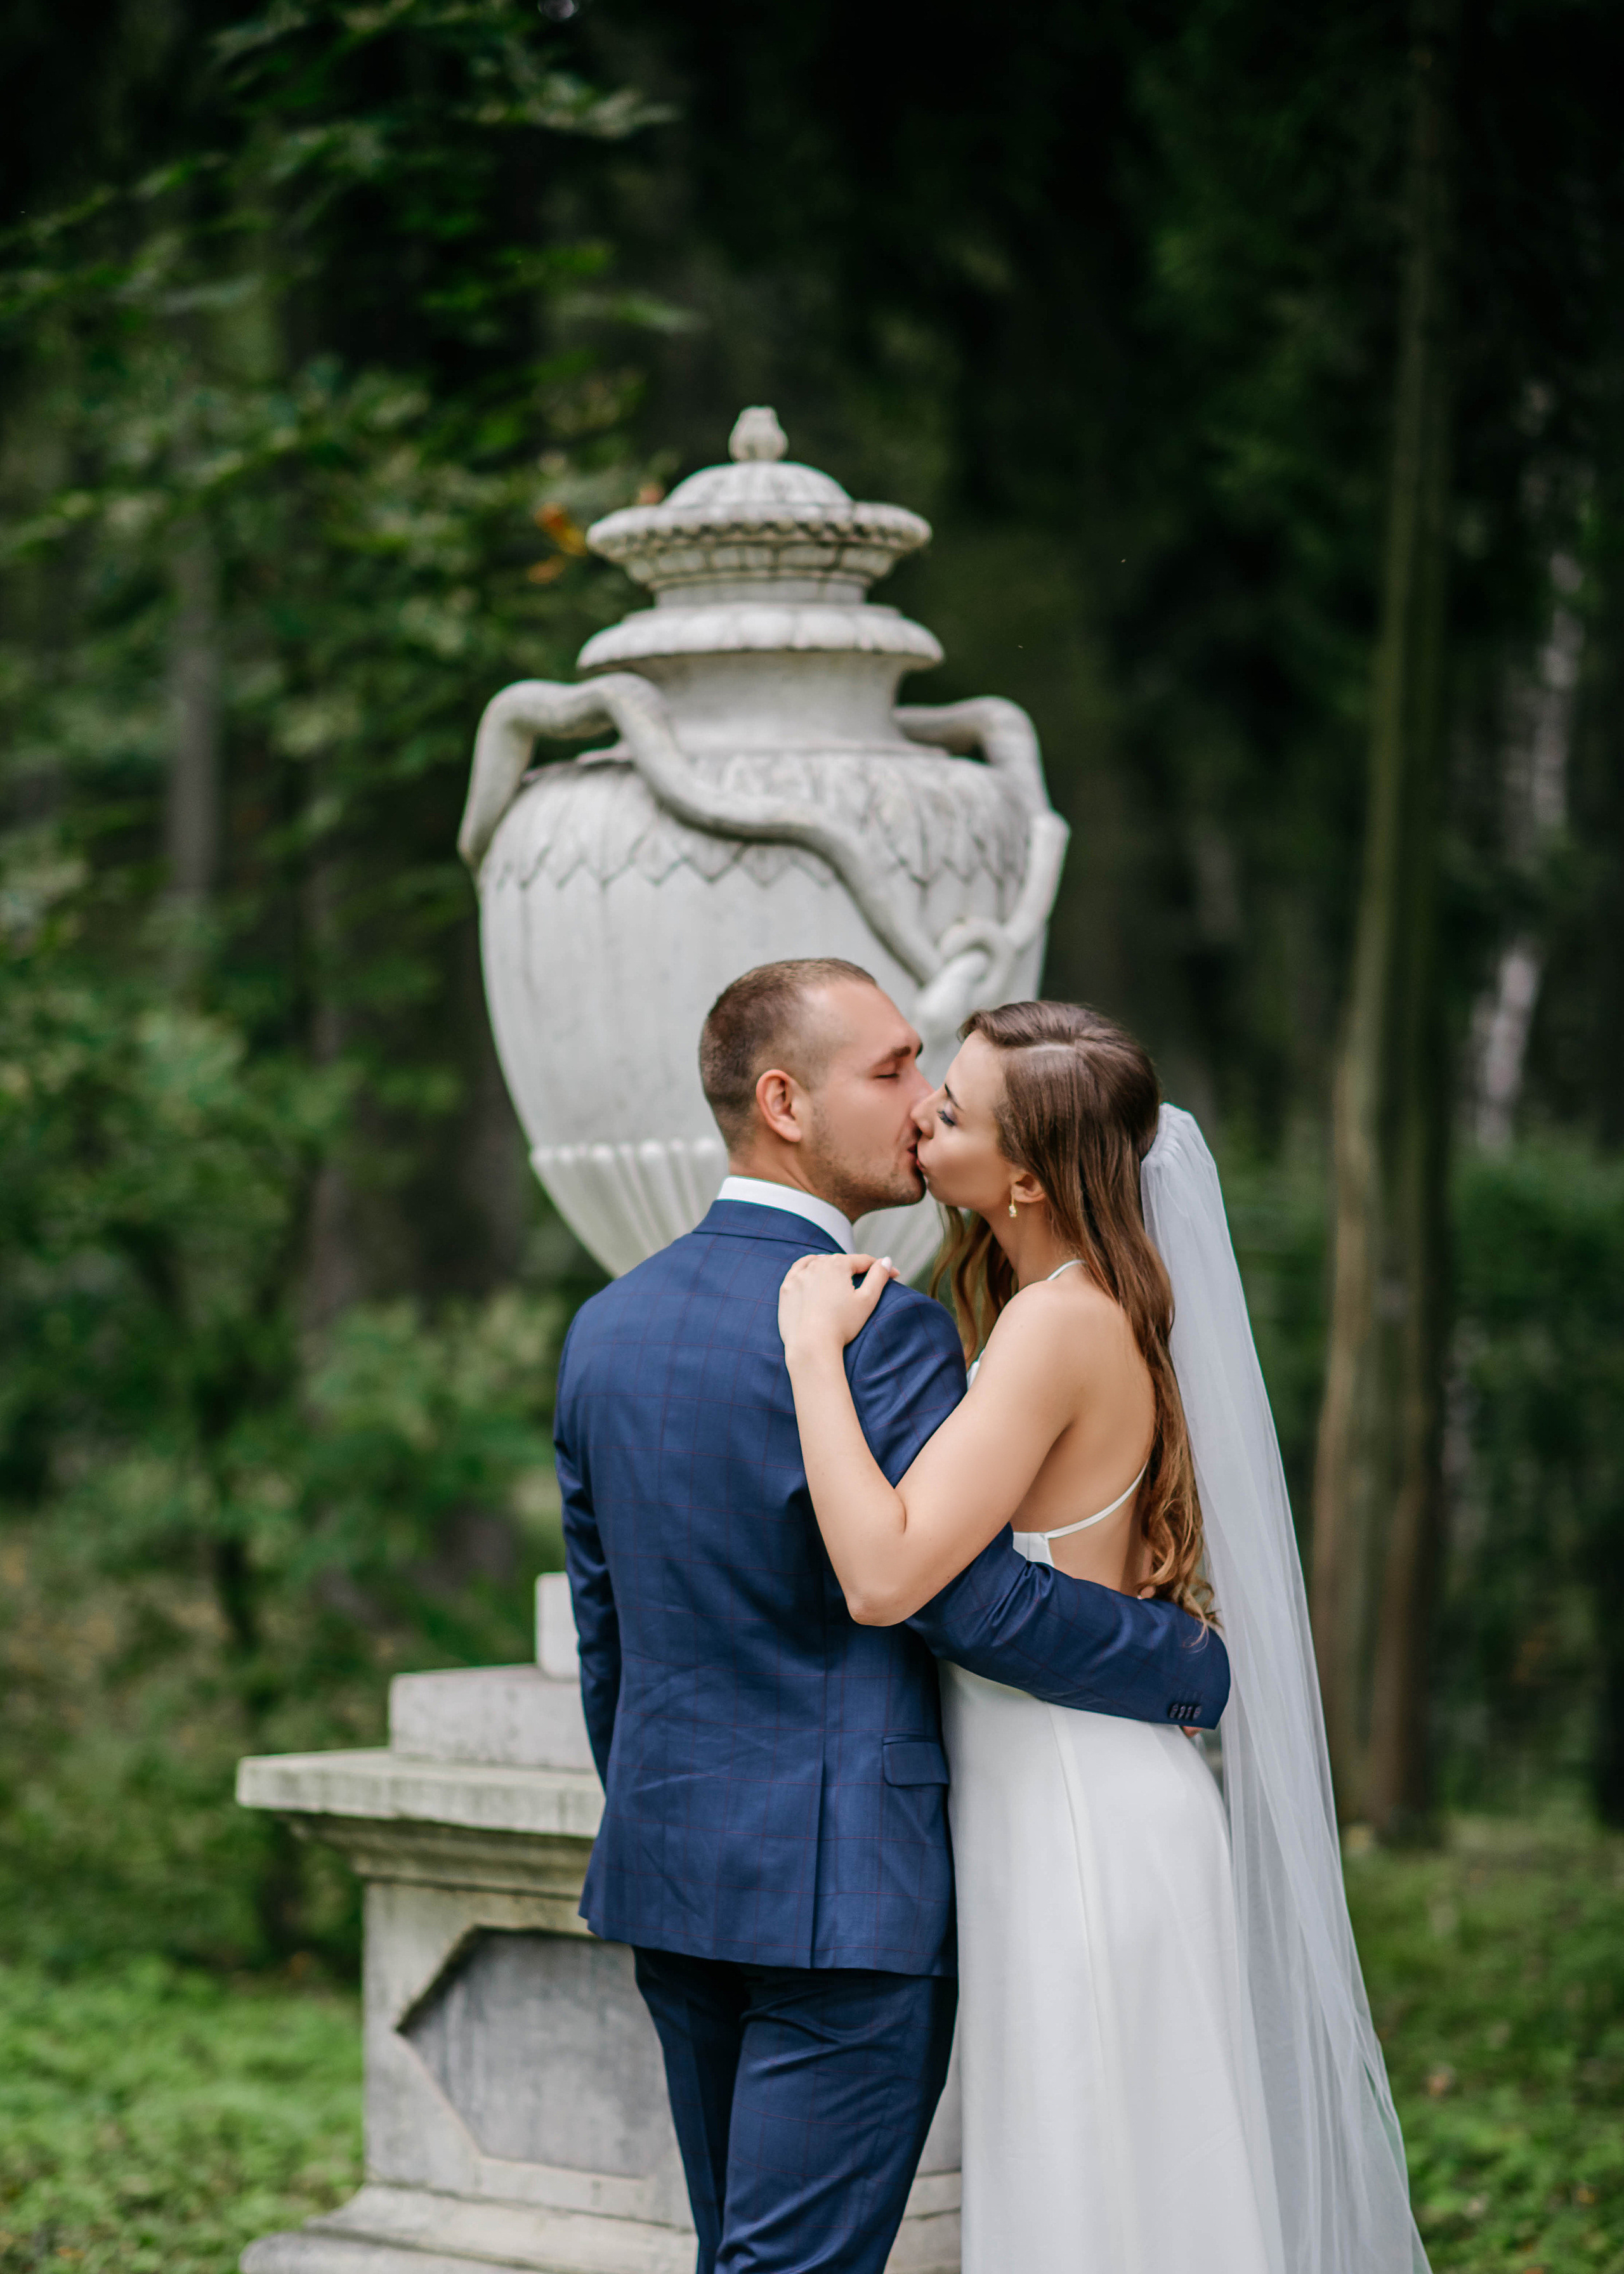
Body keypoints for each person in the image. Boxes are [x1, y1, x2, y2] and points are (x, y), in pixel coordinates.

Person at [553, 959, 1230, 2274]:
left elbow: (606, 1636)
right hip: (844, 1897)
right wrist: (1183, 1661)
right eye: (890, 1070)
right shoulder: (886, 1331)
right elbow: (965, 1602)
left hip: (672, 1873)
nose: (919, 1103)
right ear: (782, 1103)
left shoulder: (604, 1329)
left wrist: (663, 1805)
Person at [778, 997, 1428, 2274]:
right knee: (1131, 2195)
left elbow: (884, 1571)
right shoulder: (1092, 1300)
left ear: (1020, 1176)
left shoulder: (1054, 1322)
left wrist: (809, 1354)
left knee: (1101, 2204)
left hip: (1078, 1810)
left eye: (951, 1110)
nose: (922, 1113)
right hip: (1089, 1791)